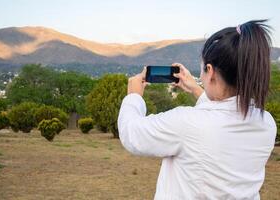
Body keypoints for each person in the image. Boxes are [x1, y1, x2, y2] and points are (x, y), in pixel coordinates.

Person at [117, 20, 277, 200]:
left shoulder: (187, 123)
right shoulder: (266, 123)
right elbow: (221, 115)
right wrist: (196, 89)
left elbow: (132, 134)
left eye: (202, 69)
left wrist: (134, 97)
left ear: (210, 71)